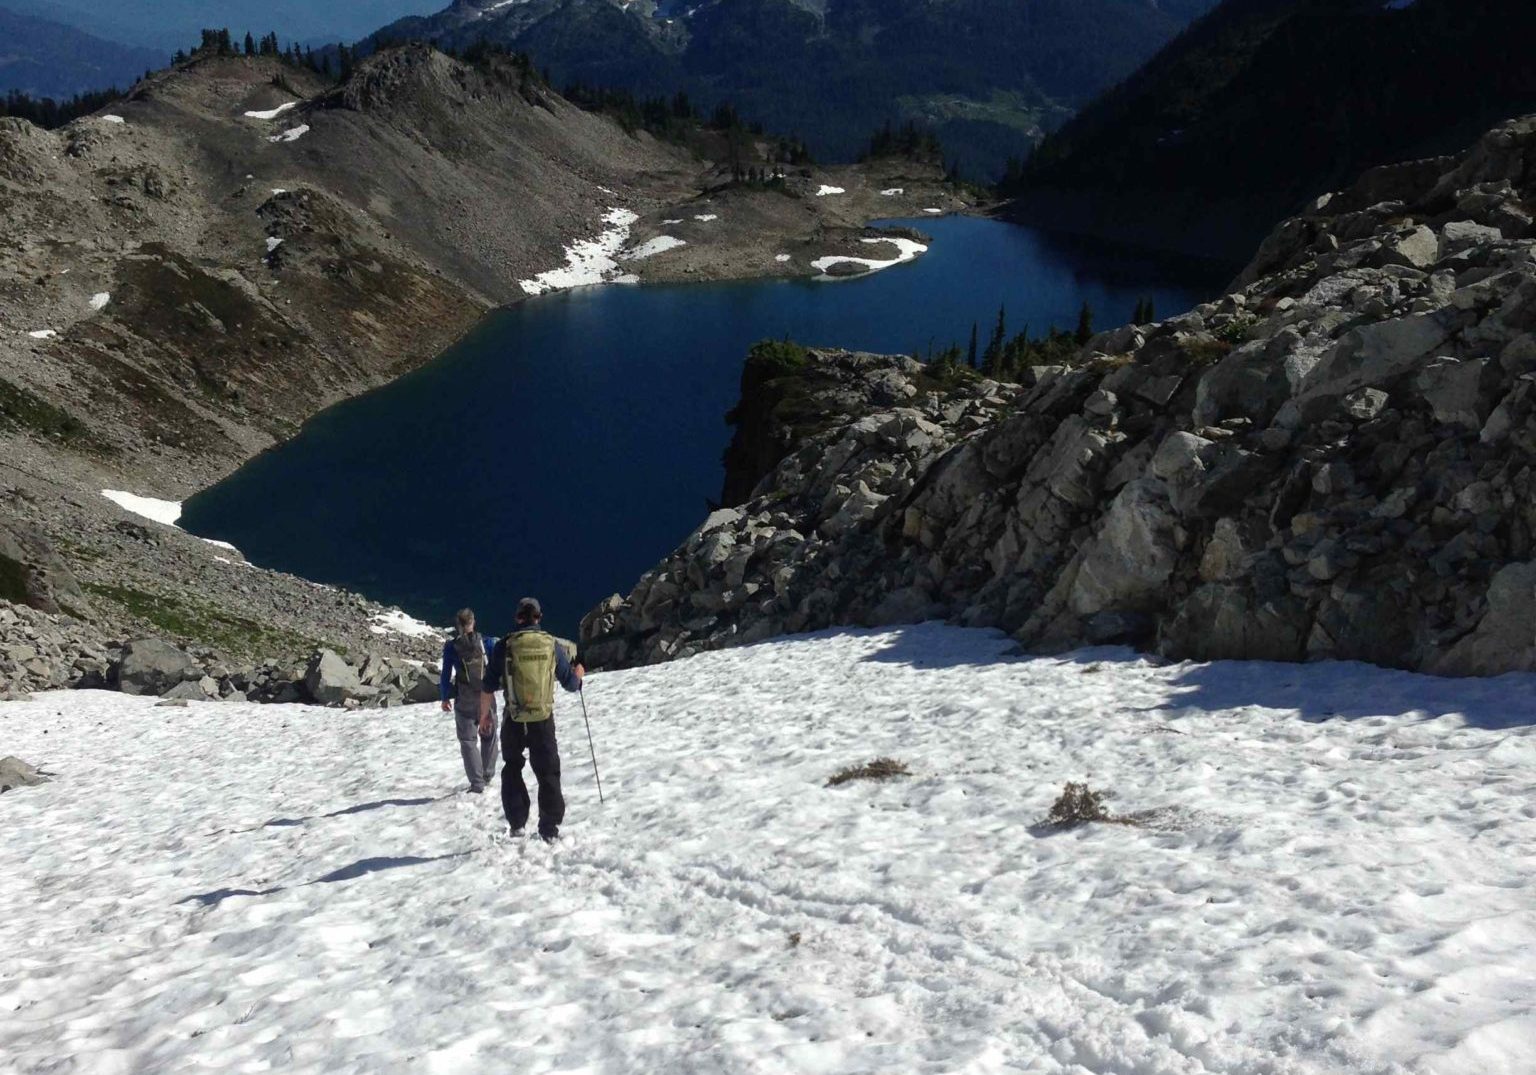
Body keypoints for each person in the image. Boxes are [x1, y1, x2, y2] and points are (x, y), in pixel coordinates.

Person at [480, 596, 584, 842]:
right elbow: (570, 683)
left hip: (513, 718)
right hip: (543, 719)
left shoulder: (504, 646)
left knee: (513, 768)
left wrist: (484, 717)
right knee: (548, 772)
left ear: (518, 618)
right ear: (538, 617)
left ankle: (517, 824)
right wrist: (579, 674)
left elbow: (487, 687)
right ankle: (549, 829)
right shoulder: (551, 645)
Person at [441, 608, 497, 793]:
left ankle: (477, 783)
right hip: (485, 696)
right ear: (473, 622)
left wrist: (444, 697)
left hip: (464, 697)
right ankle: (487, 774)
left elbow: (446, 674)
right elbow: (495, 669)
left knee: (467, 740)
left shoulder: (451, 647)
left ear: (458, 625)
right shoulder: (487, 642)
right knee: (488, 735)